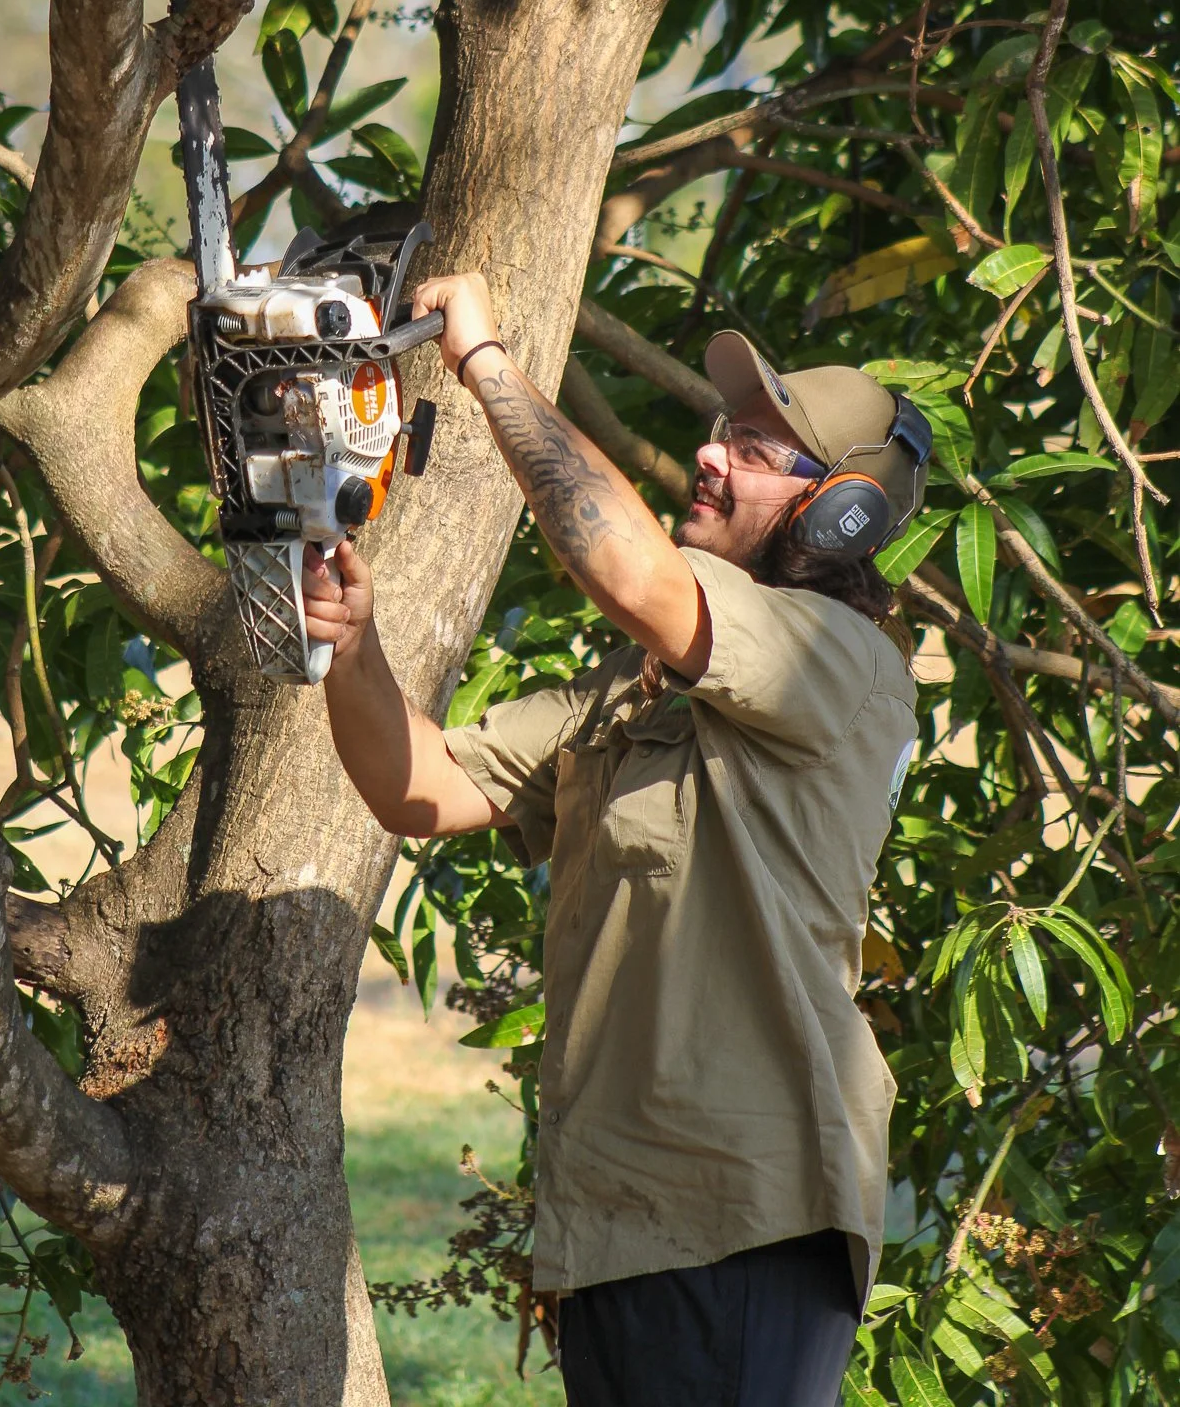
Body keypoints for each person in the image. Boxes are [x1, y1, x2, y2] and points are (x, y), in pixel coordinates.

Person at [304, 273, 931, 1407]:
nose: (710, 454)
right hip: (612, 1227)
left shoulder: (839, 661)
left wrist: (487, 365)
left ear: (841, 510)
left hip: (746, 1219)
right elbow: (423, 786)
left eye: (752, 446)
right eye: (719, 430)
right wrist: (354, 649)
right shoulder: (640, 690)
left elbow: (634, 572)